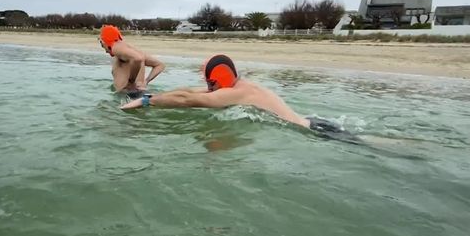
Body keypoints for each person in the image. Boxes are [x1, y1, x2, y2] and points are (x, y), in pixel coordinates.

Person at [121, 54, 358, 142]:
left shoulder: (237, 93)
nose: (208, 88)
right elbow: (190, 91)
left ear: (221, 78)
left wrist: (146, 101)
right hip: (313, 121)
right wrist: (152, 95)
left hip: (319, 133)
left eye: (211, 83)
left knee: (375, 145)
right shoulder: (242, 87)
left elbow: (187, 100)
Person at [99, 25, 165, 98]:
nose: (105, 51)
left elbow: (138, 59)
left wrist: (131, 81)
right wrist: (146, 81)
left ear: (103, 41)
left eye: (101, 45)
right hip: (137, 93)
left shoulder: (116, 48)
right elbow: (160, 65)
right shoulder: (128, 50)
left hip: (128, 94)